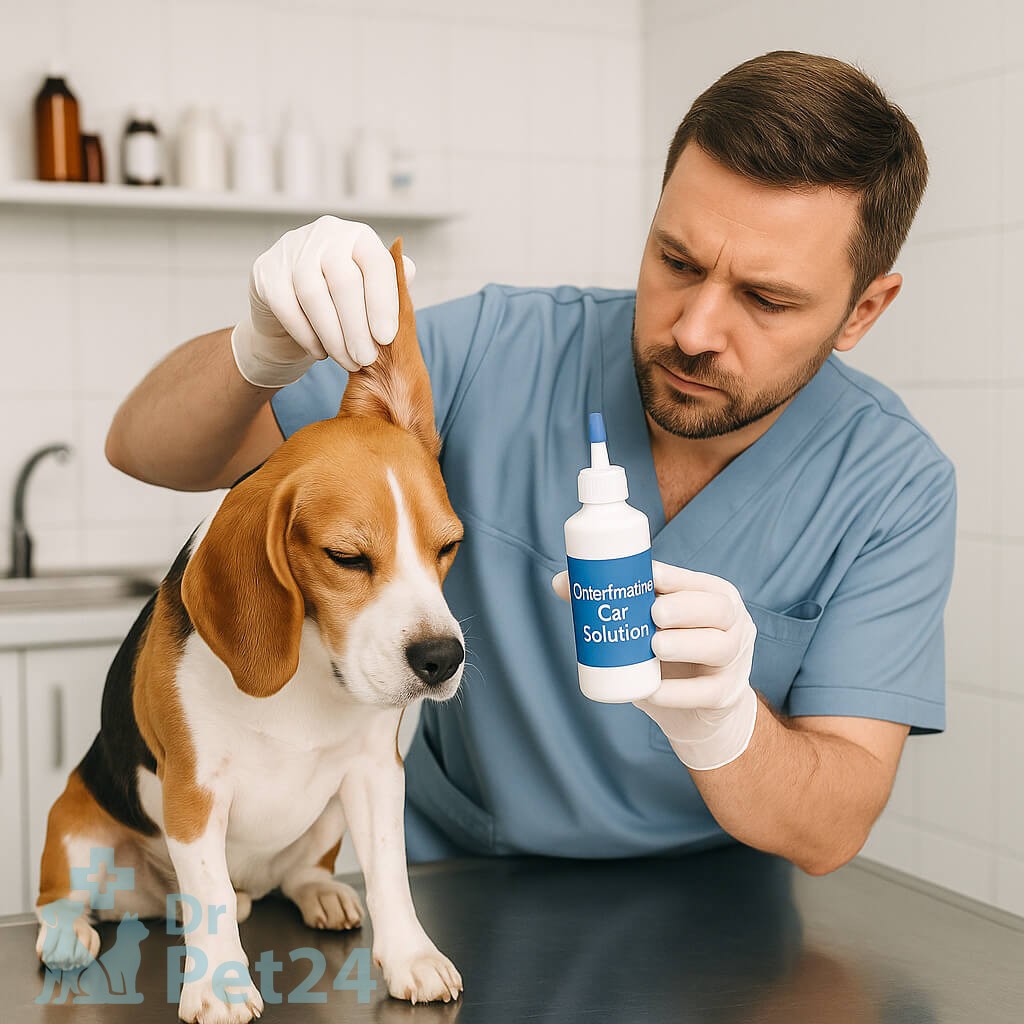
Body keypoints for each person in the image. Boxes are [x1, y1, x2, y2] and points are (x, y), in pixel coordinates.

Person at [107, 51, 954, 877]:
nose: (694, 329)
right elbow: (145, 449)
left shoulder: (892, 485)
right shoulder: (498, 350)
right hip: (459, 874)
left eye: (766, 299)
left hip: (714, 903)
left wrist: (727, 722)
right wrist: (258, 348)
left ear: (862, 310)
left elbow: (833, 828)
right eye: (676, 262)